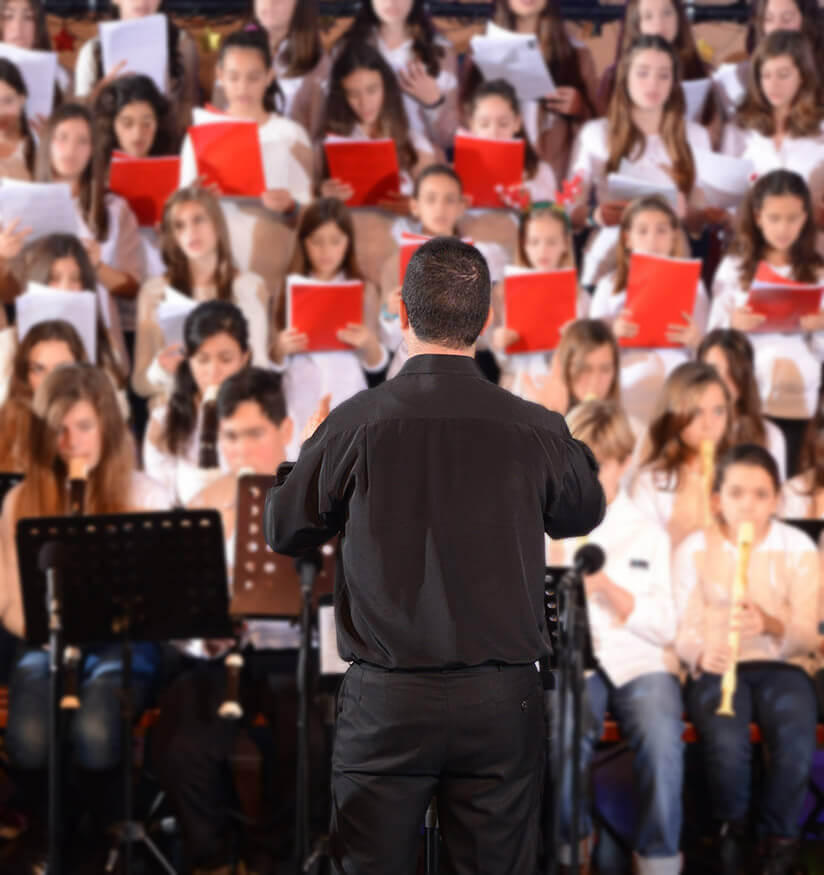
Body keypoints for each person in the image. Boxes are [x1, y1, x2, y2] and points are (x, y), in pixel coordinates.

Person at [264, 236, 605, 874]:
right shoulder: (535, 426)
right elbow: (583, 510)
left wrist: (305, 451)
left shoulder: (353, 421)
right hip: (502, 699)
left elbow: (286, 530)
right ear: (487, 317)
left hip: (387, 701)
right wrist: (563, 426)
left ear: (400, 311)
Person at [154, 367, 298, 874]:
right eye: (230, 437)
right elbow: (179, 614)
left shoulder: (313, 497)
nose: (240, 451)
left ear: (285, 429)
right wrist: (205, 634)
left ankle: (277, 859)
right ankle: (211, 859)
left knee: (309, 739)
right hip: (222, 661)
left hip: (291, 653)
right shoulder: (207, 502)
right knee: (181, 745)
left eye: (254, 434)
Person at [548, 400, 683, 875]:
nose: (587, 473)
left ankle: (659, 858)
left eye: (599, 464)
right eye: (578, 459)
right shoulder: (548, 526)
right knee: (565, 727)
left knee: (663, 734)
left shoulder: (649, 533)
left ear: (625, 463)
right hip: (571, 663)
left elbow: (667, 625)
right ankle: (574, 852)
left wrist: (610, 592)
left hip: (640, 662)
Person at [674, 443, 819, 875]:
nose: (749, 505)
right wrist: (702, 650)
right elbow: (680, 626)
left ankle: (779, 839)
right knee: (725, 739)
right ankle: (729, 832)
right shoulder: (693, 548)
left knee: (795, 733)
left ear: (776, 499)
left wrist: (773, 624)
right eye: (736, 493)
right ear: (717, 499)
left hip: (783, 666)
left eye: (760, 494)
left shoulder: (798, 548)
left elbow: (810, 632)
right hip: (718, 666)